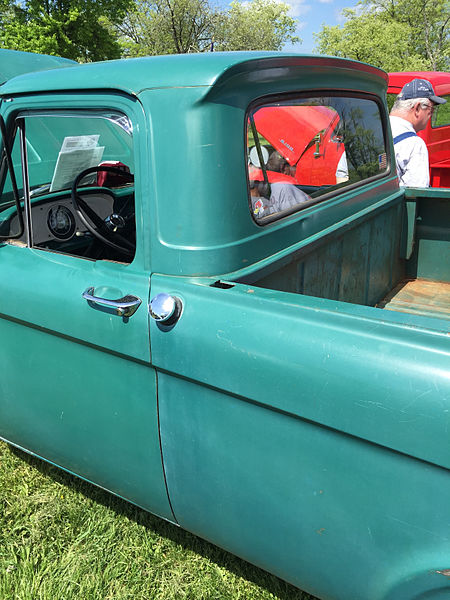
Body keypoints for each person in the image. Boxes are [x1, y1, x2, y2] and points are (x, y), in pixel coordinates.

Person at [390, 79, 446, 187]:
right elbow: (416, 194)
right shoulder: (414, 144)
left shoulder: (378, 128)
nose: (432, 114)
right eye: (431, 109)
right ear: (417, 108)